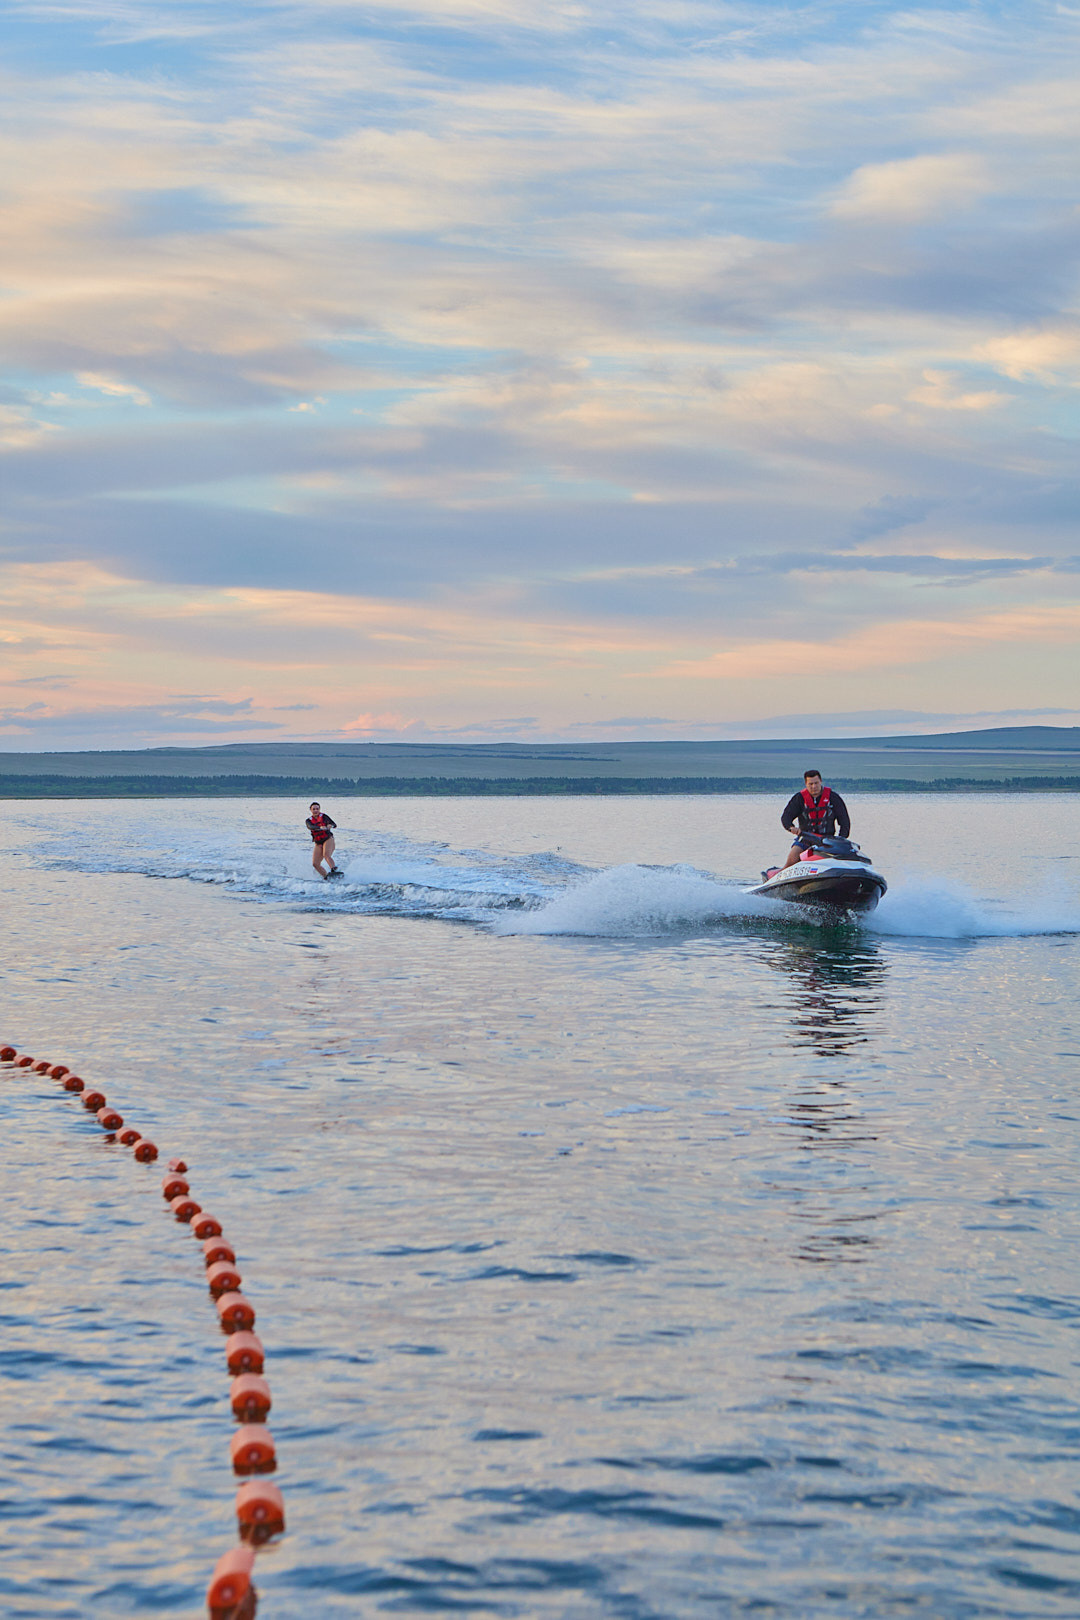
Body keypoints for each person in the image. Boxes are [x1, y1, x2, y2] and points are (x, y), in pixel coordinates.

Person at [779, 770, 850, 869]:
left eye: (816, 783)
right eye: (810, 784)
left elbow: (845, 822)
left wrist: (841, 840)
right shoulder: (799, 799)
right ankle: (780, 877)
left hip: (828, 841)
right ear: (806, 784)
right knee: (793, 858)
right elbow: (786, 817)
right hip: (805, 838)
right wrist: (791, 828)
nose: (814, 786)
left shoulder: (833, 798)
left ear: (821, 781)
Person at [306, 801, 342, 879]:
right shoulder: (308, 821)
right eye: (314, 809)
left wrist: (330, 825)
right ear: (311, 810)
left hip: (328, 839)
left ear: (319, 809)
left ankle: (334, 870)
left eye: (317, 809)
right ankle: (326, 877)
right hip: (318, 842)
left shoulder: (324, 817)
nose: (316, 811)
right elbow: (310, 827)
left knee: (326, 855)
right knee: (315, 863)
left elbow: (334, 824)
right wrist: (319, 828)